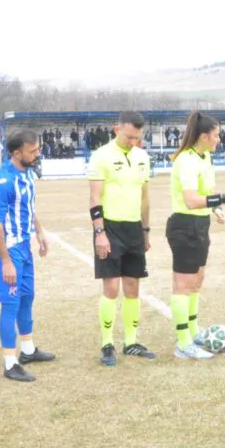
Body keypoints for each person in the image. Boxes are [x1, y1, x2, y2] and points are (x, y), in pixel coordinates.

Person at [168, 112, 225, 359]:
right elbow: (191, 201)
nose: (219, 139)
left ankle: (193, 331)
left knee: (197, 280)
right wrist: (224, 198)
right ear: (204, 136)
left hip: (200, 225)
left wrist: (216, 208)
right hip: (184, 225)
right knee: (183, 286)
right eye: (216, 135)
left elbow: (205, 194)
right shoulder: (186, 160)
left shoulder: (205, 158)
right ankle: (183, 343)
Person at [89, 111, 155, 366]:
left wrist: (145, 230)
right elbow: (95, 198)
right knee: (111, 288)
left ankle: (131, 342)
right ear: (117, 129)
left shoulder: (142, 157)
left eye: (137, 138)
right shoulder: (101, 156)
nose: (132, 142)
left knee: (132, 287)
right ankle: (107, 344)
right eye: (128, 136)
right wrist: (100, 233)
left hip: (134, 228)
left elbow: (145, 198)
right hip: (110, 227)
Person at [0, 129, 54, 382]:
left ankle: (27, 350)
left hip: (24, 246)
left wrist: (39, 232)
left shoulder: (27, 172)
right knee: (11, 303)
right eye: (32, 151)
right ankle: (10, 363)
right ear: (17, 153)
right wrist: (5, 261)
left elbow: (27, 207)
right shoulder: (4, 181)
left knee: (27, 297)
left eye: (38, 149)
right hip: (9, 250)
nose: (37, 154)